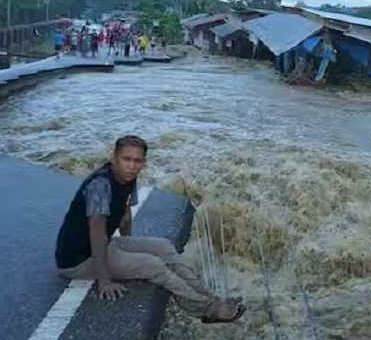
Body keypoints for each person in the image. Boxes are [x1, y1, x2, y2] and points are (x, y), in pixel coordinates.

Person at [55, 136, 245, 323]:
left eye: (137, 161)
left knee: (163, 247)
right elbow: (96, 234)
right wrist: (104, 281)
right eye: (126, 159)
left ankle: (211, 297)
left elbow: (125, 213)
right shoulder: (100, 185)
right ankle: (206, 308)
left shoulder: (128, 178)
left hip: (104, 245)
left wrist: (127, 247)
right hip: (78, 260)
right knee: (153, 265)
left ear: (143, 163)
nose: (131, 165)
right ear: (114, 158)